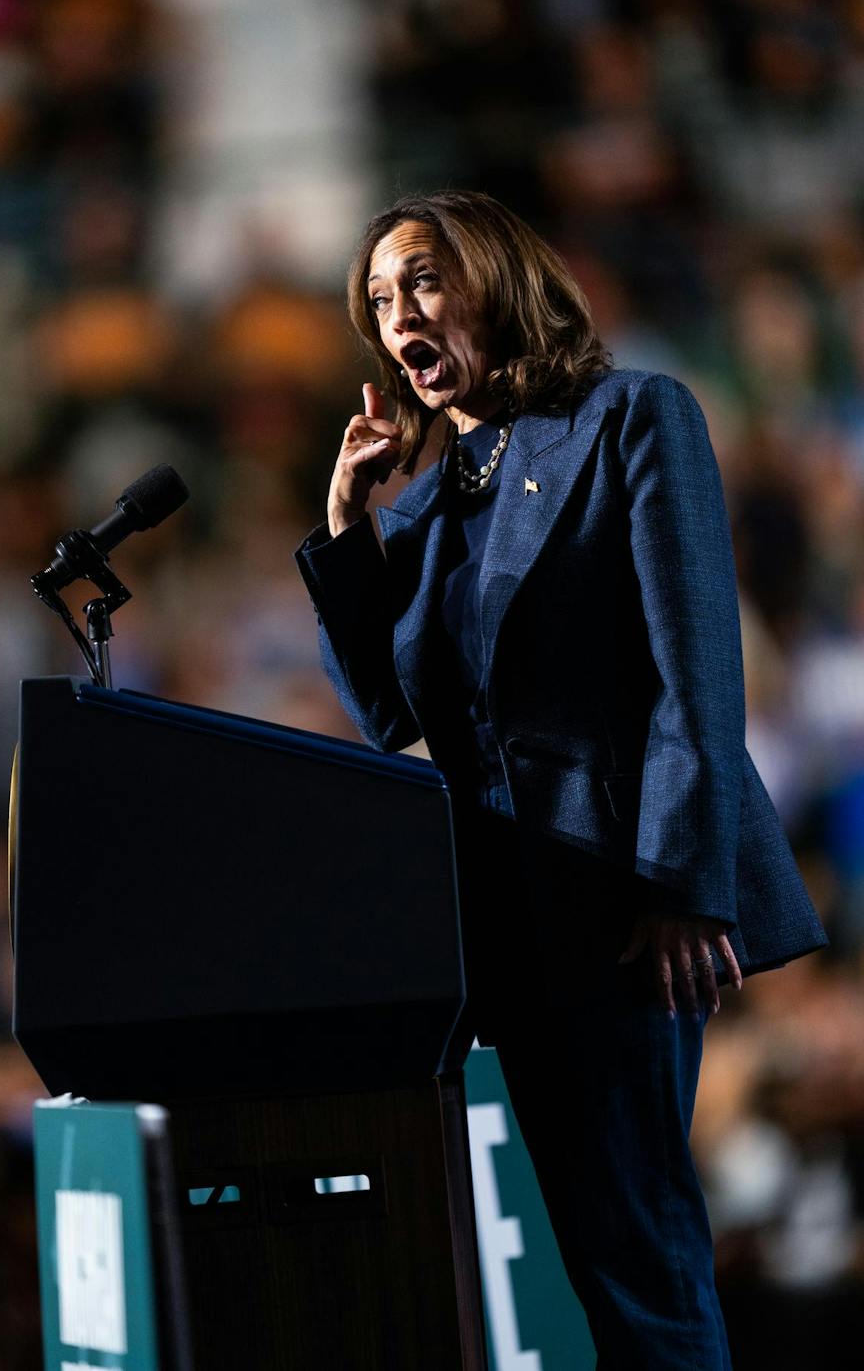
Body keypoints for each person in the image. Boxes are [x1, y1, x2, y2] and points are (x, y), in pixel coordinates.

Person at [294, 189, 827, 1369]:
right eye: (378, 302)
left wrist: (685, 887)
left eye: (422, 281)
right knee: (596, 1256)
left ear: (497, 277)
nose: (398, 319)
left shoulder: (634, 416)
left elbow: (696, 668)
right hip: (503, 928)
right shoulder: (434, 498)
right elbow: (395, 718)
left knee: (638, 1249)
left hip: (622, 908)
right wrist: (345, 532)